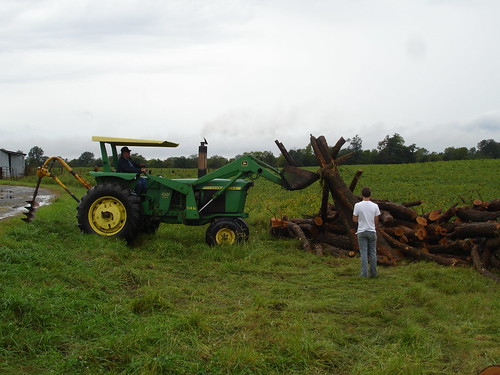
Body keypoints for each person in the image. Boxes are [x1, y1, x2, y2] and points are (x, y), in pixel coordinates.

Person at [352, 187, 381, 278]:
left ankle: (364, 274)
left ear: (362, 194)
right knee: (373, 252)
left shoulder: (357, 205)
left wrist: (360, 221)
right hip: (372, 231)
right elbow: (376, 219)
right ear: (370, 194)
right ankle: (373, 273)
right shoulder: (375, 206)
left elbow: (354, 219)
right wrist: (373, 225)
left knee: (363, 253)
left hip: (362, 231)